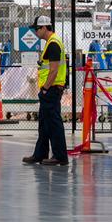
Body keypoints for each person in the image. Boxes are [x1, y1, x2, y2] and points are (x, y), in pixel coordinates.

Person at [23, 14, 69, 166]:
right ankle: (40, 154)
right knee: (44, 124)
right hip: (49, 90)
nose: (35, 32)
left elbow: (54, 70)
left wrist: (45, 88)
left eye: (37, 29)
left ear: (44, 27)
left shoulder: (53, 44)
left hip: (51, 89)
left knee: (54, 123)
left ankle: (60, 156)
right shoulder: (51, 42)